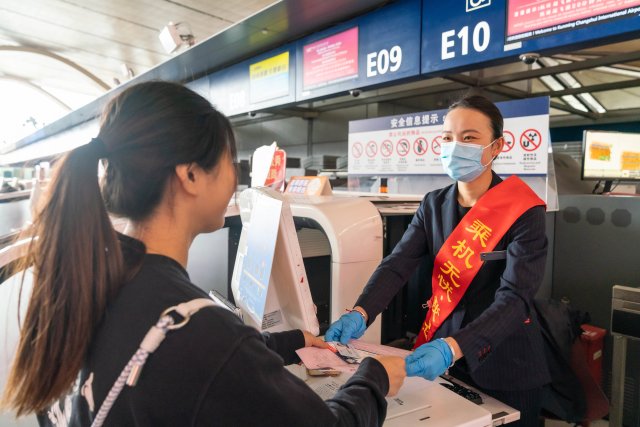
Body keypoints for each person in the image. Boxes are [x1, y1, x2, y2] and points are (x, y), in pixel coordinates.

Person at [1, 81, 405, 426]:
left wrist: (286, 343)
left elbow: (191, 358)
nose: (234, 179)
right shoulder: (196, 327)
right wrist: (374, 379)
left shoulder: (90, 276)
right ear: (190, 175)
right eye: (230, 162)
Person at [325, 95, 550, 427]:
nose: (455, 146)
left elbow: (515, 298)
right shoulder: (433, 205)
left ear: (497, 147)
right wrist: (361, 311)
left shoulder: (524, 211)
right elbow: (397, 265)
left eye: (469, 137)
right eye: (447, 137)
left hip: (505, 365)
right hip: (444, 361)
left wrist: (455, 346)